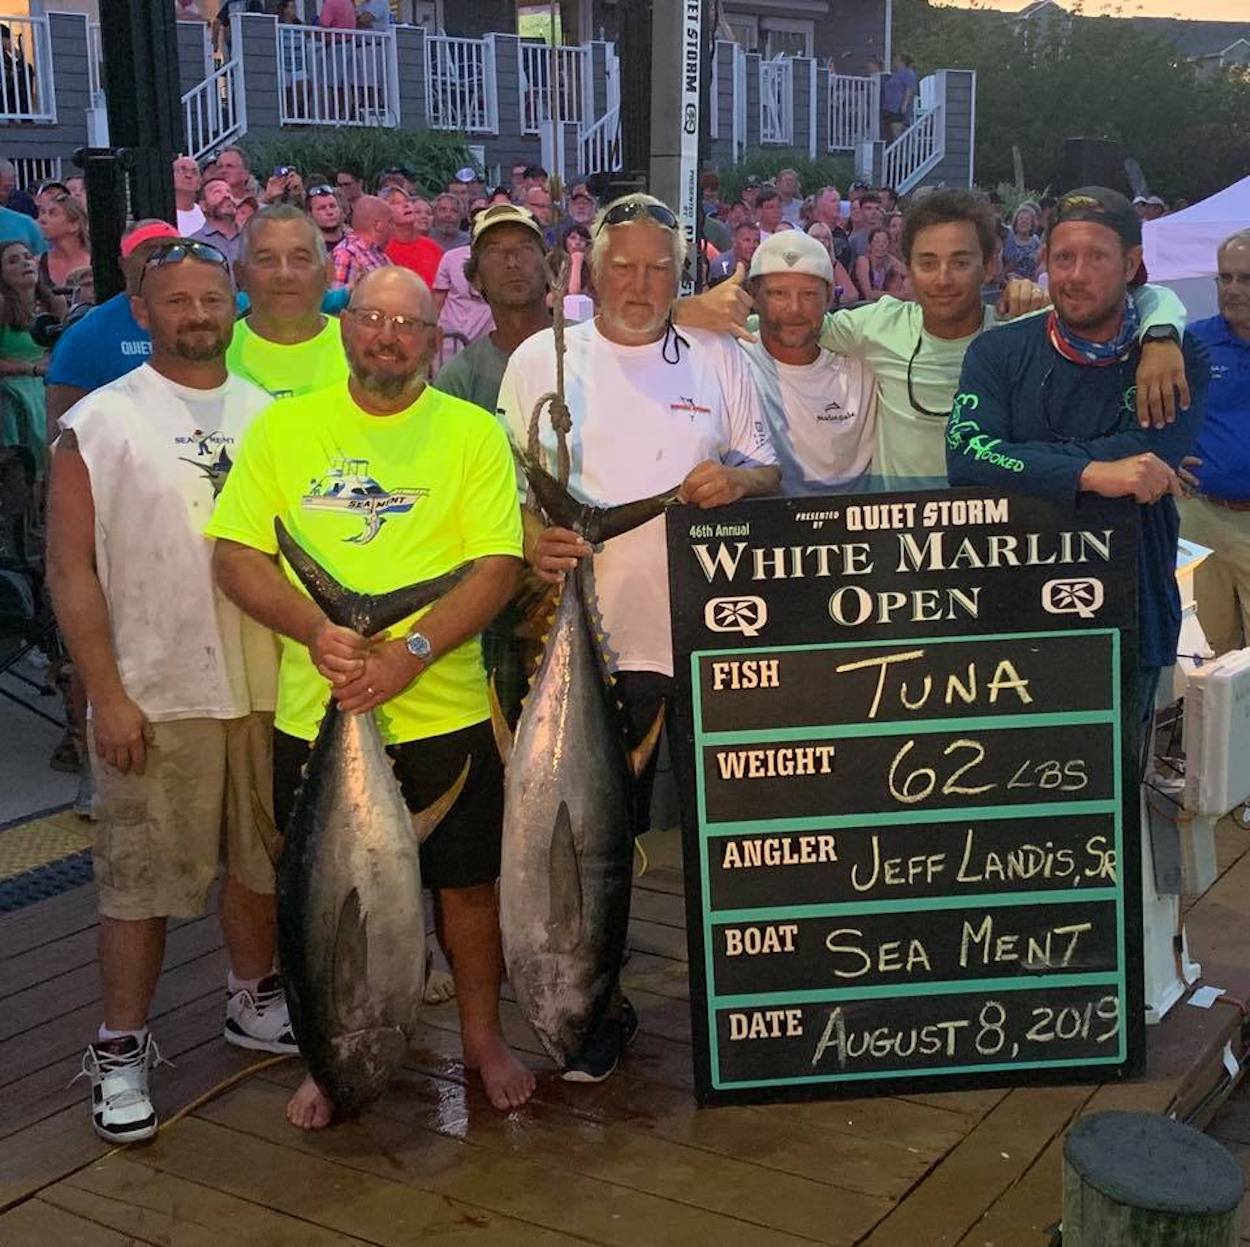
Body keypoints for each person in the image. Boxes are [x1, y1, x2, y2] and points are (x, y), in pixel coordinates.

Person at [208, 266, 535, 1124]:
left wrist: (412, 652)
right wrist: (317, 630)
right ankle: (331, 1049)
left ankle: (481, 1035)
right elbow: (236, 555)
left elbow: (498, 564)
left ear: (434, 339)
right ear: (345, 326)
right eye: (372, 317)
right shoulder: (285, 427)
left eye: (407, 323)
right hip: (317, 703)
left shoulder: (471, 432)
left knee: (467, 888)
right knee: (323, 898)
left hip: (443, 704)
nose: (388, 336)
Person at [496, 192, 779, 1081]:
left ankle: (750, 1001)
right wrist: (531, 539)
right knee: (593, 838)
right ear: (592, 267)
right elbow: (503, 490)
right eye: (624, 265)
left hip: (705, 632)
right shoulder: (540, 358)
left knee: (738, 827)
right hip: (585, 645)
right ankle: (596, 1003)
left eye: (660, 268)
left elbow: (767, 466)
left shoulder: (720, 356)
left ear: (679, 274)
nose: (641, 283)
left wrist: (737, 483)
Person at [46, 237, 291, 1145]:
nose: (197, 315)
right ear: (143, 311)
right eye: (177, 301)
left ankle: (252, 996)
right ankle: (120, 1044)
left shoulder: (272, 415)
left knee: (259, 861)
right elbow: (69, 569)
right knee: (137, 881)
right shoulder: (100, 421)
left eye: (211, 299)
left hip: (266, 684)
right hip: (154, 689)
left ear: (235, 306)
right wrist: (105, 693)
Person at [683, 189, 1192, 490]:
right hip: (894, 535)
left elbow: (1136, 297)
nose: (943, 279)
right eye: (928, 263)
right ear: (907, 268)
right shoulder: (877, 325)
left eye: (960, 262)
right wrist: (684, 310)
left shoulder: (1018, 331)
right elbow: (787, 324)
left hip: (995, 529)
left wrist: (1162, 335)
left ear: (990, 265)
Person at [947, 186, 1209, 745]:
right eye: (1063, 257)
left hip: (1131, 608)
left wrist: (1022, 459)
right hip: (1012, 604)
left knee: (1114, 780)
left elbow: (1152, 459)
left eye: (1097, 257)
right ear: (1044, 261)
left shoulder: (1176, 358)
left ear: (1131, 264)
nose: (1076, 275)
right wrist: (1093, 474)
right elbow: (965, 455)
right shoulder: (998, 351)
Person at [740, 231, 876, 496]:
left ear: (829, 295)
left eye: (808, 294)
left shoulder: (865, 365)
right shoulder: (731, 362)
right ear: (754, 295)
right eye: (778, 293)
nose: (794, 309)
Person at [44, 221, 183, 441]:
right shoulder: (89, 334)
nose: (161, 260)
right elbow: (61, 430)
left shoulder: (206, 319)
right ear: (124, 263)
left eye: (172, 251)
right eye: (149, 251)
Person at [1179, 229, 1250, 656]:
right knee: (1209, 650)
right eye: (1225, 278)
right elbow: (1146, 407)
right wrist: (1165, 457)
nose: (1233, 289)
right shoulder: (1193, 343)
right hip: (1202, 516)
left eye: (1246, 278)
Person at [228, 203, 348, 401]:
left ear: (328, 272)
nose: (284, 274)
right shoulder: (215, 354)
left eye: (300, 259)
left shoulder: (360, 348)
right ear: (240, 274)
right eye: (266, 260)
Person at [0, 241, 51, 473]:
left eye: (28, 257)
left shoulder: (55, 304)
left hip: (49, 384)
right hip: (13, 391)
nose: (25, 263)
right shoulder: (2, 306)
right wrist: (31, 369)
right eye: (13, 261)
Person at [433, 238, 492, 364]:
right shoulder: (450, 257)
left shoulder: (502, 261)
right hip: (449, 343)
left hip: (484, 345)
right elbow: (437, 303)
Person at [382, 186, 442, 288]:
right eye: (395, 203)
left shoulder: (433, 247)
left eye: (407, 201)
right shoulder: (383, 251)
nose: (406, 205)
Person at [331, 193, 392, 290]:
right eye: (390, 222)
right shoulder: (346, 254)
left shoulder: (377, 252)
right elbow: (339, 296)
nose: (393, 228)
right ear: (378, 225)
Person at [37, 190, 91, 291]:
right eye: (42, 212)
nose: (42, 219)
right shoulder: (37, 264)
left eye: (52, 214)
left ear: (74, 225)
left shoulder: (97, 261)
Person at [192, 176, 243, 266]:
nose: (226, 195)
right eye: (217, 192)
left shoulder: (251, 237)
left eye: (228, 191)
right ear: (203, 205)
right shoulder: (195, 245)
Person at [805, 222, 856, 307]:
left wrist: (835, 298)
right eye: (816, 237)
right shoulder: (801, 265)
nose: (822, 241)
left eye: (826, 238)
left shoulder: (834, 265)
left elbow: (853, 294)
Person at [854, 226, 906, 302]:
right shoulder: (863, 261)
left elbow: (908, 273)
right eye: (876, 241)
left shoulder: (888, 262)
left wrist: (889, 257)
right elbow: (869, 294)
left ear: (889, 246)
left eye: (885, 242)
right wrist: (901, 295)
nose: (881, 245)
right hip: (860, 304)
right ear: (870, 245)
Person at [707, 220, 760, 287]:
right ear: (734, 240)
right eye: (747, 240)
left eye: (756, 241)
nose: (752, 245)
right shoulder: (722, 265)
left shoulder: (761, 265)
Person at [881, 51, 918, 139]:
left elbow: (909, 89)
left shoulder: (908, 73)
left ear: (902, 62)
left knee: (897, 134)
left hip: (897, 108)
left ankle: (901, 148)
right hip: (888, 108)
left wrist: (904, 104)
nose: (894, 61)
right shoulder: (895, 74)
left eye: (896, 60)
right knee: (888, 135)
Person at [1003, 204, 1043, 281]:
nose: (1024, 221)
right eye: (1021, 218)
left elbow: (1039, 264)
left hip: (1029, 282)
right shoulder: (1009, 239)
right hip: (1010, 281)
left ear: (1032, 224)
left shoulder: (1035, 241)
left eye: (1027, 219)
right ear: (1016, 222)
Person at [305, 182, 346, 249]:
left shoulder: (356, 242)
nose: (329, 212)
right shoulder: (310, 250)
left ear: (340, 209)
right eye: (322, 208)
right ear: (309, 215)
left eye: (332, 206)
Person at [173, 155, 205, 236]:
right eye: (182, 170)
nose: (188, 175)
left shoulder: (206, 214)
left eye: (194, 172)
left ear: (200, 181)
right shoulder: (162, 215)